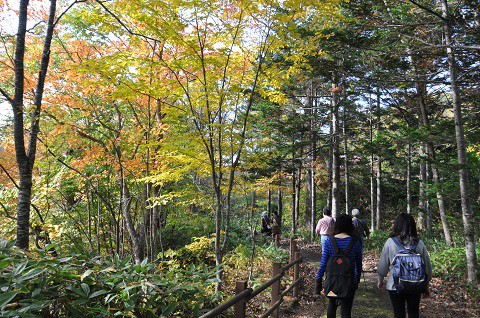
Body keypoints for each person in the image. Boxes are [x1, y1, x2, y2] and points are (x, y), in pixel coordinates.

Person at [377, 213, 432, 318]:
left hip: (395, 285)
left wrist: (380, 279)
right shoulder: (419, 243)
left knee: (398, 313)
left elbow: (383, 262)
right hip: (415, 284)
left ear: (397, 225)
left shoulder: (390, 242)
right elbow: (427, 265)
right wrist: (427, 283)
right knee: (413, 312)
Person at [315, 213, 363, 318]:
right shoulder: (355, 242)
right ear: (350, 226)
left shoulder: (329, 241)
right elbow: (359, 264)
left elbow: (323, 262)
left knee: (332, 305)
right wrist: (357, 278)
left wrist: (318, 279)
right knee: (346, 309)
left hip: (333, 281)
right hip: (349, 282)